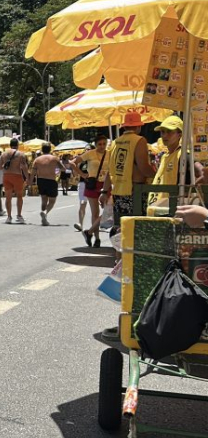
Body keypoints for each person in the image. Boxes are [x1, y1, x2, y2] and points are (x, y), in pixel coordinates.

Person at [100, 112, 156, 341]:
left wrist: (105, 191)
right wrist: (156, 173)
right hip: (135, 192)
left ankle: (120, 262)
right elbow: (143, 168)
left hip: (119, 193)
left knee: (123, 236)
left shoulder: (115, 144)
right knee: (136, 238)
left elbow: (109, 173)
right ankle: (131, 270)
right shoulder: (139, 141)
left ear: (124, 126)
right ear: (139, 127)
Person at [147, 115, 203, 206]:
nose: (164, 135)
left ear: (180, 134)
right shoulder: (165, 156)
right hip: (159, 207)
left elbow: (202, 172)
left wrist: (191, 189)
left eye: (169, 132)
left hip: (174, 208)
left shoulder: (184, 155)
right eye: (162, 132)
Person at [74, 136, 109, 247]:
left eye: (104, 143)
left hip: (107, 184)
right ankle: (97, 239)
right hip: (93, 184)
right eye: (100, 144)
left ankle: (89, 232)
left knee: (109, 211)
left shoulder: (110, 154)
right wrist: (83, 174)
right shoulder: (90, 153)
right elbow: (72, 163)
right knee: (95, 212)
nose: (102, 146)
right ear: (95, 144)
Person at [27, 142, 60, 226]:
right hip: (51, 180)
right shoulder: (54, 158)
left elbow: (33, 172)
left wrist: (30, 182)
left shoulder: (37, 160)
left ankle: (44, 219)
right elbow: (62, 168)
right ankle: (44, 213)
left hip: (41, 180)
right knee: (52, 201)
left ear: (42, 150)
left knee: (44, 200)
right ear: (50, 149)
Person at [0, 137, 29, 224]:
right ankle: (19, 216)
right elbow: (24, 167)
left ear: (10, 145)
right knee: (19, 196)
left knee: (8, 197)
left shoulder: (4, 154)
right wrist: (27, 178)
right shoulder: (21, 154)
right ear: (17, 145)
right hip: (17, 176)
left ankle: (9, 217)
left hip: (6, 176)